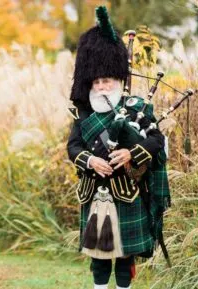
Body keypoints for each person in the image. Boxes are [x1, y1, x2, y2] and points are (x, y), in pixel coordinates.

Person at [66, 6, 171, 289]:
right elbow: (73, 147)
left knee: (125, 255)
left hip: (127, 191)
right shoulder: (83, 114)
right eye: (97, 81)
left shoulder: (138, 107)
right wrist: (89, 160)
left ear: (118, 80)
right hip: (94, 189)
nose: (101, 86)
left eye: (107, 80)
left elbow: (156, 141)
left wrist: (130, 153)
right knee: (98, 256)